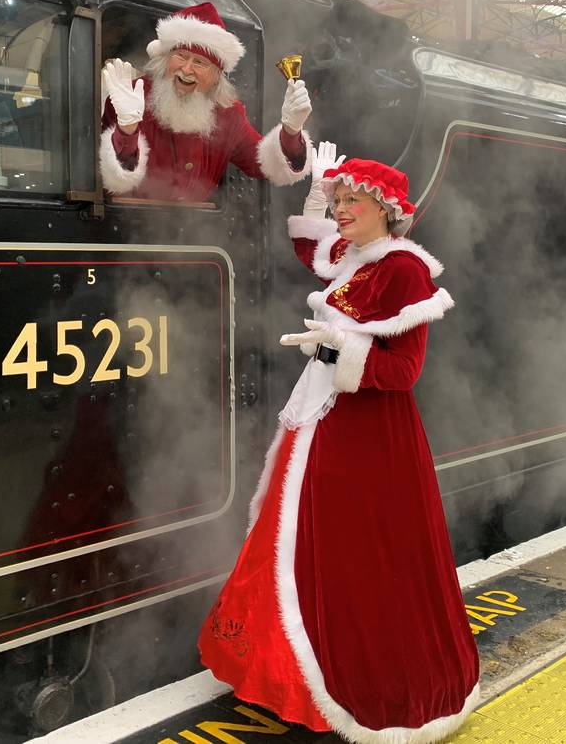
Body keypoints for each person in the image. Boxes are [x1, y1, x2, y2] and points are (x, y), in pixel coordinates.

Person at [198, 144, 480, 741]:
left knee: (352, 554)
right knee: (296, 542)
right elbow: (317, 252)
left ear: (386, 208)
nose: (341, 211)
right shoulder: (359, 256)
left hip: (366, 436)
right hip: (324, 421)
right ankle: (284, 673)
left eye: (353, 201)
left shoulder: (403, 269)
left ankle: (345, 687)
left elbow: (403, 371)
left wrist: (337, 349)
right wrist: (311, 202)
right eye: (338, 201)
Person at [99, 1, 313, 201]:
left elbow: (262, 163)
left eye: (200, 62)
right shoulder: (130, 96)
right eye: (181, 56)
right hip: (127, 225)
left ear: (217, 77)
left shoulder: (228, 113)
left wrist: (291, 132)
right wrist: (127, 130)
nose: (186, 69)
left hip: (196, 226)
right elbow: (111, 182)